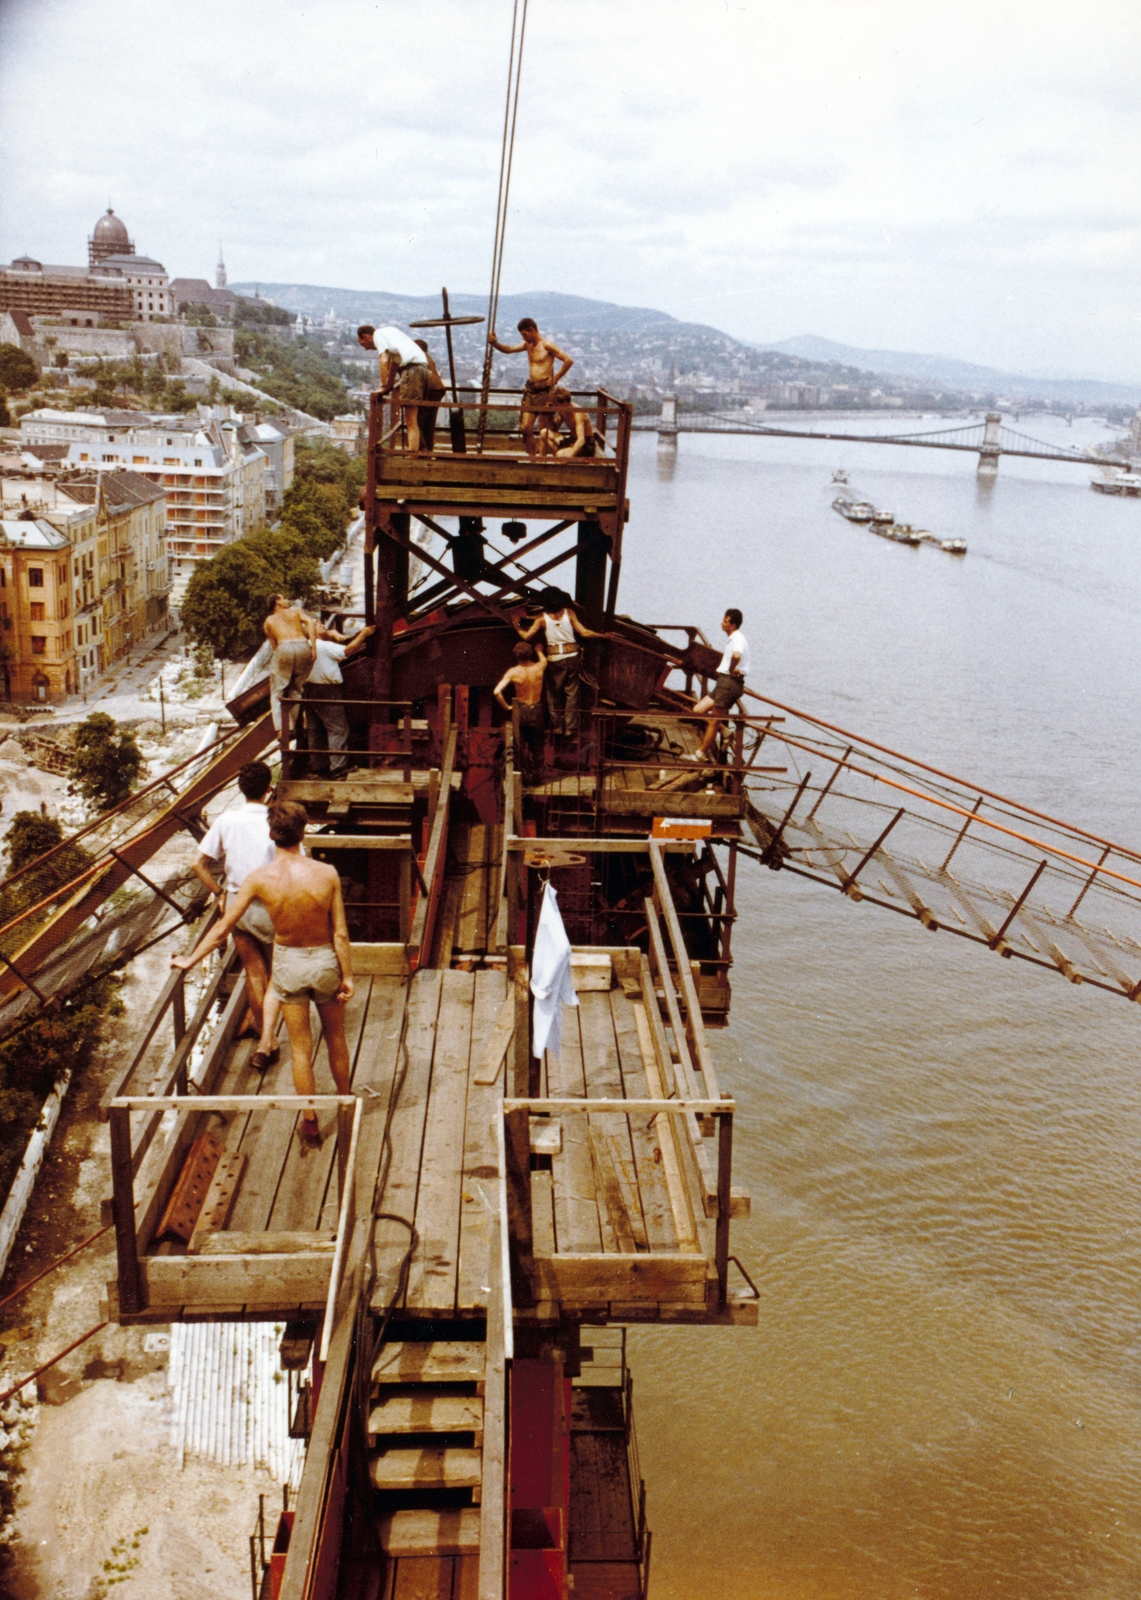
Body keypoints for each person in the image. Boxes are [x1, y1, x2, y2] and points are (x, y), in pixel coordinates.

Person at [173, 801, 353, 1152]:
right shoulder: (326, 873)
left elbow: (223, 928)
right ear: (303, 832)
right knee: (336, 1038)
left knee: (301, 1050)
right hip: (323, 960)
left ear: (273, 835)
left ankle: (311, 1123)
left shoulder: (258, 879)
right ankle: (345, 1103)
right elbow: (341, 934)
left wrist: (190, 959)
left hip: (288, 965)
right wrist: (347, 975)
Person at [192, 760, 281, 1072]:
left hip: (236, 903)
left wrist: (218, 893)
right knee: (274, 974)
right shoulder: (276, 818)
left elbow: (198, 864)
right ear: (269, 788)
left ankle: (264, 1039)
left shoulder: (226, 820)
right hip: (270, 904)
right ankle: (269, 1037)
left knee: (254, 973)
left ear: (241, 790)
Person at [515, 587, 605, 739]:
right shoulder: (569, 613)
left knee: (553, 694)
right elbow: (584, 632)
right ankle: (569, 728)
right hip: (572, 657)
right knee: (572, 694)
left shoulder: (541, 618)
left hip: (554, 659)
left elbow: (526, 635)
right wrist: (603, 636)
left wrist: (515, 623)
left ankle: (557, 726)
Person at [488, 318, 576, 456]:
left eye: (525, 334)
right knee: (525, 428)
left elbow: (568, 360)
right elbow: (509, 349)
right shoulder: (527, 345)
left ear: (532, 330)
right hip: (531, 390)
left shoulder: (547, 345)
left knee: (543, 429)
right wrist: (495, 344)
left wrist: (556, 378)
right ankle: (532, 457)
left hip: (545, 391)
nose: (524, 337)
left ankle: (541, 458)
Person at [302, 625, 374, 777]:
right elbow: (347, 651)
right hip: (327, 690)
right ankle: (338, 767)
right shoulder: (323, 645)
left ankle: (318, 766)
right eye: (318, 625)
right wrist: (364, 634)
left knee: (315, 729)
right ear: (311, 631)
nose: (323, 625)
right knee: (338, 729)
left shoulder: (305, 646)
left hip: (309, 689)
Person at [686, 608, 750, 762]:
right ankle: (725, 731)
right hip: (723, 682)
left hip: (728, 683)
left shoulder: (737, 639)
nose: (722, 623)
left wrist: (731, 668)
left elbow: (736, 655)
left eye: (725, 621)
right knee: (697, 710)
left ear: (732, 625)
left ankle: (700, 755)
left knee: (714, 721)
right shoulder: (733, 638)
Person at [357, 324, 430, 452]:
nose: (365, 348)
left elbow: (384, 360)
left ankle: (412, 455)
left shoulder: (378, 336)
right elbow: (394, 364)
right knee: (414, 418)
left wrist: (384, 385)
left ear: (367, 337)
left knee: (410, 419)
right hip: (422, 369)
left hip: (411, 370)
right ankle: (416, 452)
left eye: (362, 343)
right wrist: (389, 385)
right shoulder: (389, 333)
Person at [493, 640, 548, 784]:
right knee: (538, 748)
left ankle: (522, 779)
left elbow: (497, 692)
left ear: (516, 656)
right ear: (529, 654)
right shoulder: (540, 667)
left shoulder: (513, 672)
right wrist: (539, 650)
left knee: (520, 747)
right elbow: (544, 659)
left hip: (521, 710)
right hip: (536, 709)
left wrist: (507, 707)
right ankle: (538, 780)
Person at [264, 594, 318, 735]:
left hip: (283, 647)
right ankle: (293, 722)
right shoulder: (296, 611)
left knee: (277, 690)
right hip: (302, 645)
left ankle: (282, 728)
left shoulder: (268, 621)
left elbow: (275, 647)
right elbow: (311, 623)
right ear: (277, 602)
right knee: (297, 687)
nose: (287, 600)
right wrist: (313, 646)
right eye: (283, 598)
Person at [412, 338, 447, 451]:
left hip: (430, 390)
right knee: (429, 423)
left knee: (417, 421)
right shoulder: (428, 358)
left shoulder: (418, 357)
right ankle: (428, 450)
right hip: (438, 389)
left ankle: (422, 450)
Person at [540, 407, 605, 459]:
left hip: (585, 445)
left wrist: (570, 456)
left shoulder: (577, 413)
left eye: (555, 404)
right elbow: (553, 428)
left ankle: (563, 458)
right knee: (544, 432)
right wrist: (550, 413)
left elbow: (581, 440)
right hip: (573, 440)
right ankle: (560, 457)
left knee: (560, 454)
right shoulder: (563, 410)